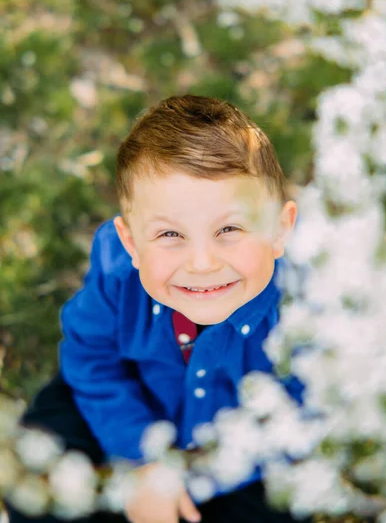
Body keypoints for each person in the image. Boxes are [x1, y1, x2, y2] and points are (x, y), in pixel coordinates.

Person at [6, 95, 306, 523]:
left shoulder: (305, 309)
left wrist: (197, 477)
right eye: (170, 234)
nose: (202, 263)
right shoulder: (117, 273)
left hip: (241, 453)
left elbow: (301, 411)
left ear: (280, 230)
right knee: (37, 483)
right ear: (131, 243)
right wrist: (144, 460)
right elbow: (91, 359)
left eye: (229, 228)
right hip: (128, 399)